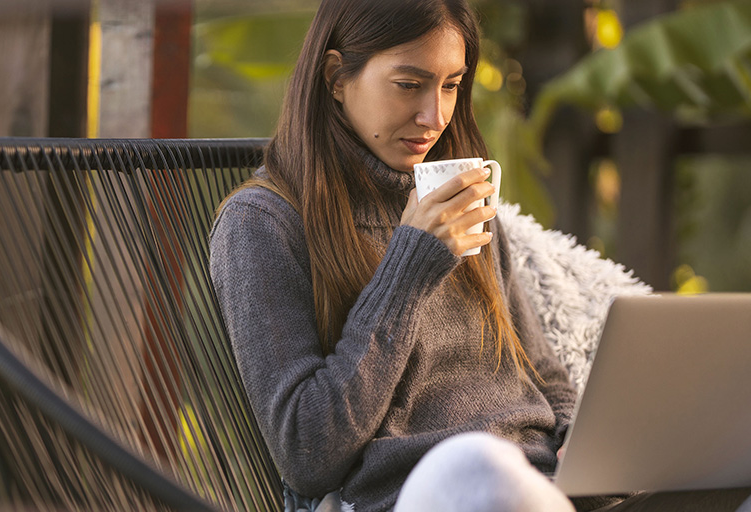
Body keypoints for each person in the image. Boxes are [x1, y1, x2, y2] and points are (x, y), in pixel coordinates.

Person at [209, 0, 751, 510]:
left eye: (450, 85)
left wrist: (573, 445)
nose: (434, 115)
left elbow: (542, 373)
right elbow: (307, 452)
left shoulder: (463, 197)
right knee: (478, 463)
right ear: (335, 78)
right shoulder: (263, 223)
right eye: (408, 85)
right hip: (426, 491)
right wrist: (409, 267)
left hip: (539, 490)